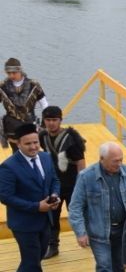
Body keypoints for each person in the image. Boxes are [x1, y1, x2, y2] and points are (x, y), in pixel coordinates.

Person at [68, 142, 126, 272]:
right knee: (104, 266)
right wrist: (80, 232)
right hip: (99, 232)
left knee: (120, 265)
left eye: (121, 160)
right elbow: (75, 207)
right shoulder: (86, 177)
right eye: (115, 161)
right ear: (101, 159)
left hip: (122, 231)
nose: (119, 164)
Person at [0, 123, 61, 272]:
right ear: (18, 144)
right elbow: (5, 196)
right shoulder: (8, 167)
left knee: (38, 253)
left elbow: (55, 180)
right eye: (28, 144)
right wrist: (36, 207)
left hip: (45, 218)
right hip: (24, 223)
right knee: (33, 258)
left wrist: (55, 195)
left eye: (36, 142)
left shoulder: (45, 157)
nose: (34, 147)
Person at [39, 106, 87, 259]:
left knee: (78, 213)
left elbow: (80, 162)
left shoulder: (70, 138)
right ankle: (53, 246)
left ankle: (89, 238)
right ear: (43, 121)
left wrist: (81, 184)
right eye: (48, 120)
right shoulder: (42, 136)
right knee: (53, 215)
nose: (51, 123)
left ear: (60, 120)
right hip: (54, 184)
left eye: (55, 120)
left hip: (72, 183)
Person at [1, 57, 48, 153]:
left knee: (33, 150)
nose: (11, 75)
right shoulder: (2, 87)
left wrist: (44, 123)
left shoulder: (33, 85)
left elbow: (44, 104)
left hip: (30, 123)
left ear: (20, 71)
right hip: (11, 126)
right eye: (9, 73)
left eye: (14, 73)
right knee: (16, 152)